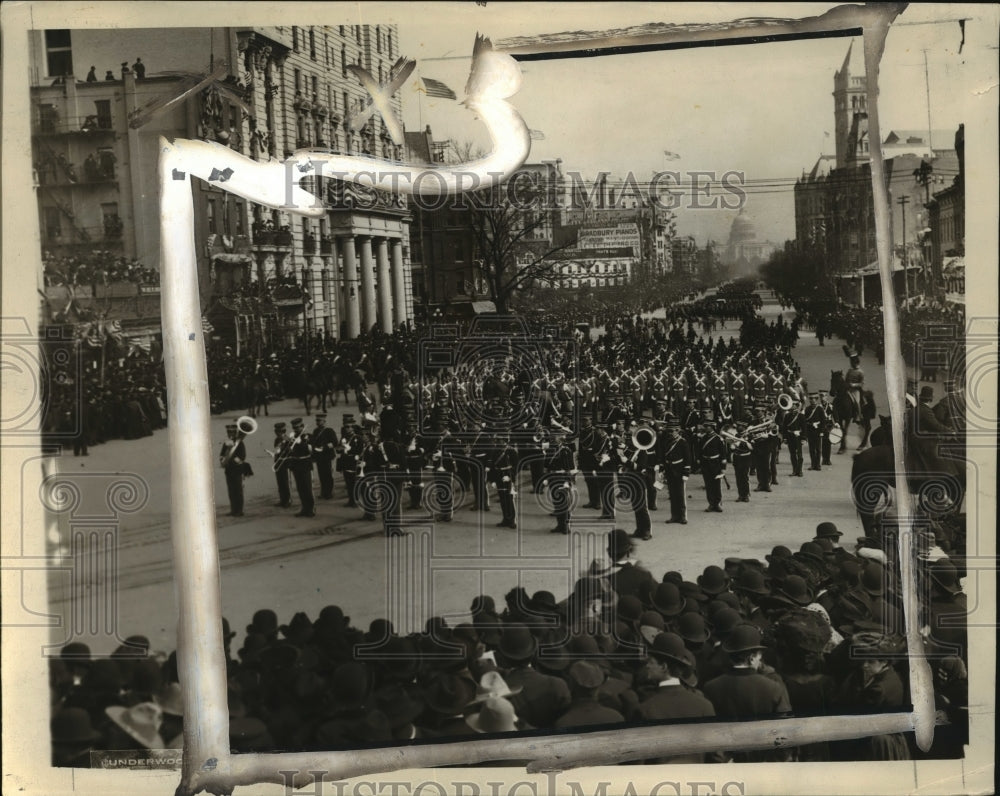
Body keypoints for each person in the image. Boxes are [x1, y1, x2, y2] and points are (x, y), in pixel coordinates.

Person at [661, 420, 691, 523]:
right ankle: (674, 516)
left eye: (672, 431)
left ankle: (682, 516)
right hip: (670, 471)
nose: (670, 433)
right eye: (668, 431)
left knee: (680, 495)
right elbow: (665, 456)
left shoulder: (683, 442)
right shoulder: (667, 441)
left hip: (679, 471)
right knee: (672, 495)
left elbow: (687, 458)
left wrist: (686, 473)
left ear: (678, 431)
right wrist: (663, 470)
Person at [287, 418, 315, 517]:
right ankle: (304, 508)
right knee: (300, 488)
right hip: (296, 465)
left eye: (298, 427)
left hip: (305, 464)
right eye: (294, 428)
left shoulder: (307, 436)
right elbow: (289, 451)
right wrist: (289, 443)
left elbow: (310, 450)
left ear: (302, 426)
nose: (296, 429)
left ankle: (311, 509)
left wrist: (300, 443)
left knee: (307, 488)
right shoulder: (293, 437)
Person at [698, 415, 726, 512]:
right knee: (708, 484)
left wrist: (723, 468)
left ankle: (717, 504)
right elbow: (700, 452)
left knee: (716, 485)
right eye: (705, 426)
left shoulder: (719, 439)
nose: (705, 428)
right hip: (706, 463)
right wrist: (700, 464)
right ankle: (711, 503)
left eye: (707, 426)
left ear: (712, 427)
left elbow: (723, 455)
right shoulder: (703, 438)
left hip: (715, 464)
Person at [220, 423, 247, 517]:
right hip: (229, 470)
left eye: (232, 432)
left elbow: (242, 457)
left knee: (238, 491)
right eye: (228, 432)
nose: (230, 434)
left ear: (235, 432)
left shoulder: (239, 443)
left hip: (237, 470)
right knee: (231, 491)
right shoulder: (226, 442)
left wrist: (231, 457)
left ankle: (239, 510)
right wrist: (222, 459)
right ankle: (233, 509)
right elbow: (222, 454)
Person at [492, 434, 518, 529]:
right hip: (499, 476)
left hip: (508, 476)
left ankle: (512, 520)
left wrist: (510, 476)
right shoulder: (495, 451)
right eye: (497, 440)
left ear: (505, 440)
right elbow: (493, 466)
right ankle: (505, 519)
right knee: (502, 499)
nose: (498, 442)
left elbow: (516, 466)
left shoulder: (511, 451)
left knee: (509, 499)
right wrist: (493, 480)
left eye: (500, 440)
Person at [310, 413, 338, 499]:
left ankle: (329, 493)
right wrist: (313, 455)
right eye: (317, 421)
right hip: (319, 457)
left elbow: (335, 442)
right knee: (321, 475)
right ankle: (323, 492)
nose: (317, 422)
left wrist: (325, 447)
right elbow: (313, 443)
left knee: (328, 475)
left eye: (319, 421)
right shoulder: (315, 431)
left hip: (327, 456)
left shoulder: (329, 431)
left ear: (324, 421)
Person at [782, 399, 805, 477]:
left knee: (800, 455)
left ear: (797, 406)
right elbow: (784, 427)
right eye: (792, 404)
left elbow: (804, 428)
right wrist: (785, 438)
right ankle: (794, 470)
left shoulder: (801, 416)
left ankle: (800, 470)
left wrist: (803, 438)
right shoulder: (787, 415)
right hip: (790, 437)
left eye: (795, 404)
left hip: (798, 437)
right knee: (792, 455)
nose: (793, 406)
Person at [271, 421, 291, 508]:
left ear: (284, 431)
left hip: (285, 463)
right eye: (277, 432)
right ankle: (283, 499)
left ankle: (288, 500)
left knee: (286, 482)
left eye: (280, 432)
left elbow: (289, 452)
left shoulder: (287, 440)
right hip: (278, 462)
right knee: (280, 482)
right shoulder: (277, 439)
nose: (278, 434)